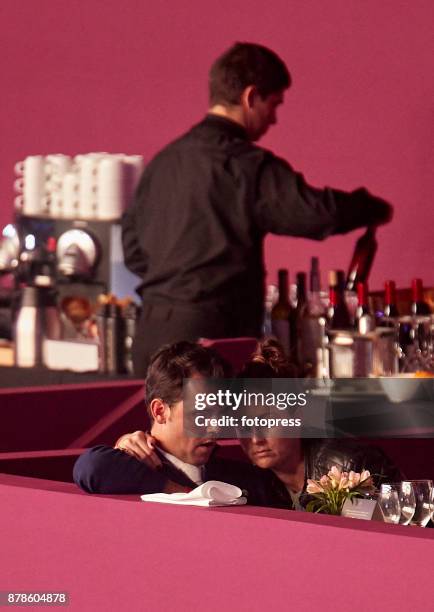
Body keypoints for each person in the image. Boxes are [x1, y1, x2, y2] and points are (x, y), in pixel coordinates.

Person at [121, 42, 393, 376]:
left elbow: (133, 250)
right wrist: (369, 207)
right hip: (209, 340)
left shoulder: (163, 163)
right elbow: (315, 213)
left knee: (150, 429)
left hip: (151, 333)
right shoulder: (246, 165)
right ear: (251, 97)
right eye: (273, 104)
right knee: (221, 429)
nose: (274, 119)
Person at [102, 339, 402, 512]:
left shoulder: (349, 464)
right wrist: (125, 444)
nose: (254, 436)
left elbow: (403, 528)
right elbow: (92, 468)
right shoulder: (258, 479)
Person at [73, 341, 277, 507]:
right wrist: (184, 493)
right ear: (160, 411)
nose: (215, 428)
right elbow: (90, 468)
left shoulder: (248, 478)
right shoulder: (126, 470)